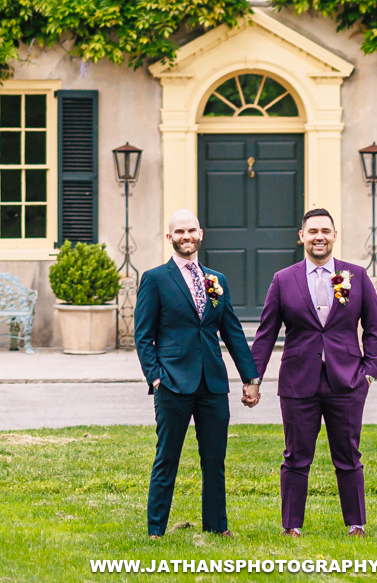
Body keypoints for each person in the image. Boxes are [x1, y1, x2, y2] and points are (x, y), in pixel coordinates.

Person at [251, 207, 377, 537]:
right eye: (312, 232)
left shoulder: (357, 276)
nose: (319, 237)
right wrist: (252, 379)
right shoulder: (283, 280)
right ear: (302, 237)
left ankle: (356, 524)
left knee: (348, 455)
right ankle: (291, 526)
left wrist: (369, 371)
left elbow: (374, 328)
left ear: (334, 236)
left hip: (347, 380)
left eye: (325, 231)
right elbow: (266, 333)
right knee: (296, 456)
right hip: (298, 381)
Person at [133, 207, 261, 538]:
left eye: (191, 231)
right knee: (167, 458)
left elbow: (232, 331)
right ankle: (156, 530)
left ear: (200, 234)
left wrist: (250, 378)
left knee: (214, 461)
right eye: (179, 232)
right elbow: (143, 336)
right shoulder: (155, 279)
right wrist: (156, 377)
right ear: (169, 237)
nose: (186, 237)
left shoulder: (216, 280)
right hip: (173, 382)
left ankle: (218, 527)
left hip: (213, 384)